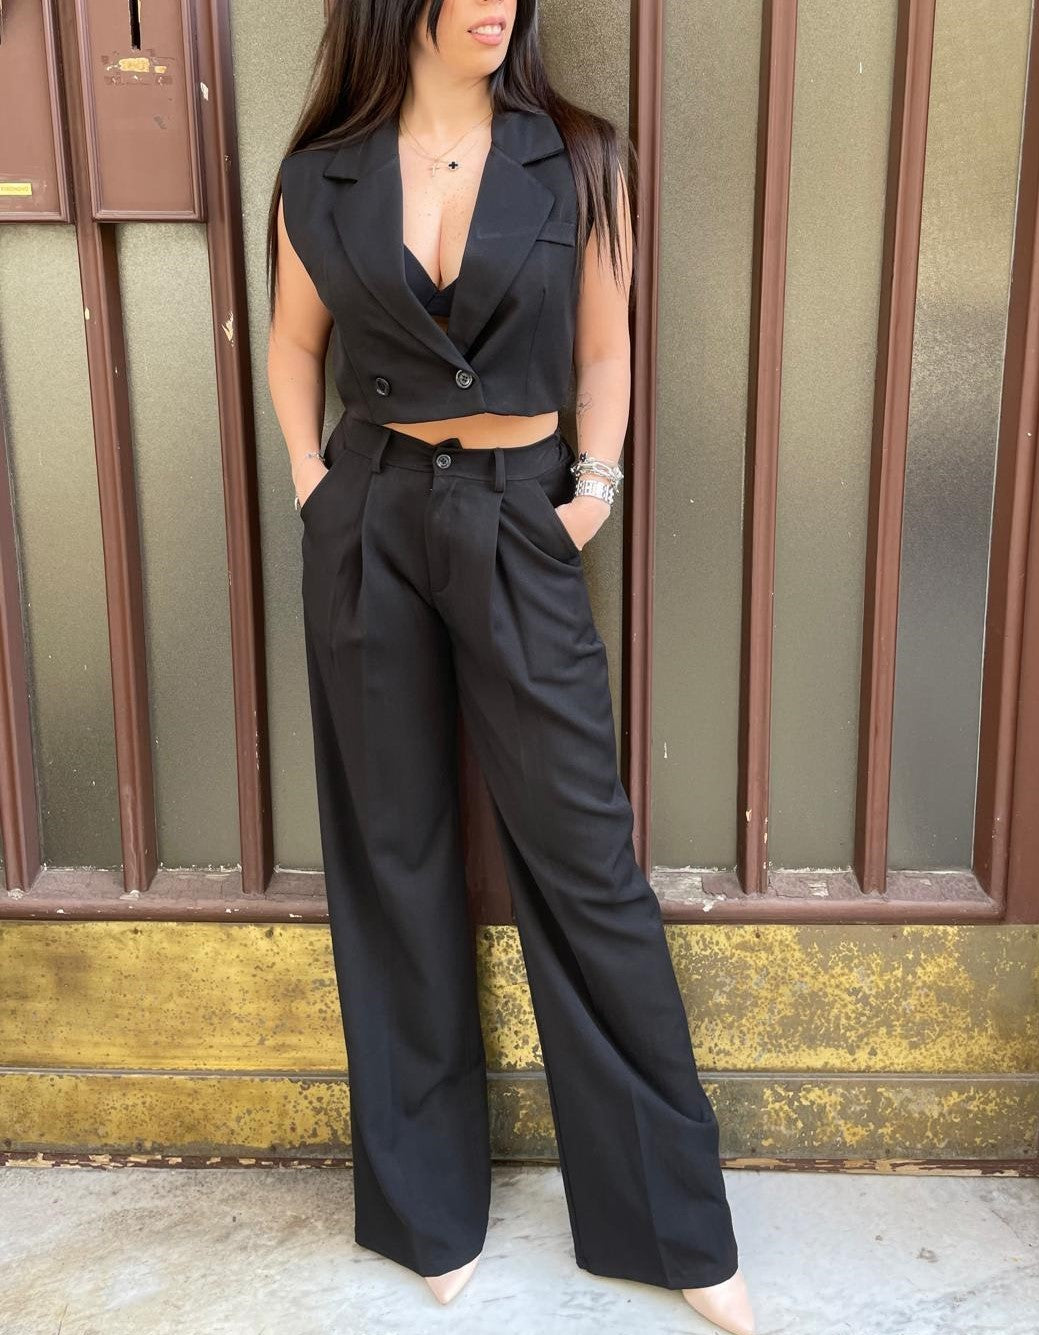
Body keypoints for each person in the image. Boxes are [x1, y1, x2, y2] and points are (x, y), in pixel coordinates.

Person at [266, 3, 756, 1332]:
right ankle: (426, 1209)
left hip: (517, 513)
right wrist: (316, 486)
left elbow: (603, 347)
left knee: (583, 855)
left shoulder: (577, 157)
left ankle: (671, 1223)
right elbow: (295, 346)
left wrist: (587, 497)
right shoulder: (320, 173)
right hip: (370, 515)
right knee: (393, 851)